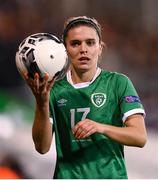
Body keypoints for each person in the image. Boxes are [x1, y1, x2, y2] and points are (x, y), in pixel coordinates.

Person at [24, 16, 147, 179]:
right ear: (65, 50)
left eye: (90, 43)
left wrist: (101, 127)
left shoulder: (118, 83)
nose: (83, 49)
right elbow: (42, 147)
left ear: (100, 48)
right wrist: (41, 103)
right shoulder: (53, 90)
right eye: (75, 43)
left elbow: (139, 137)